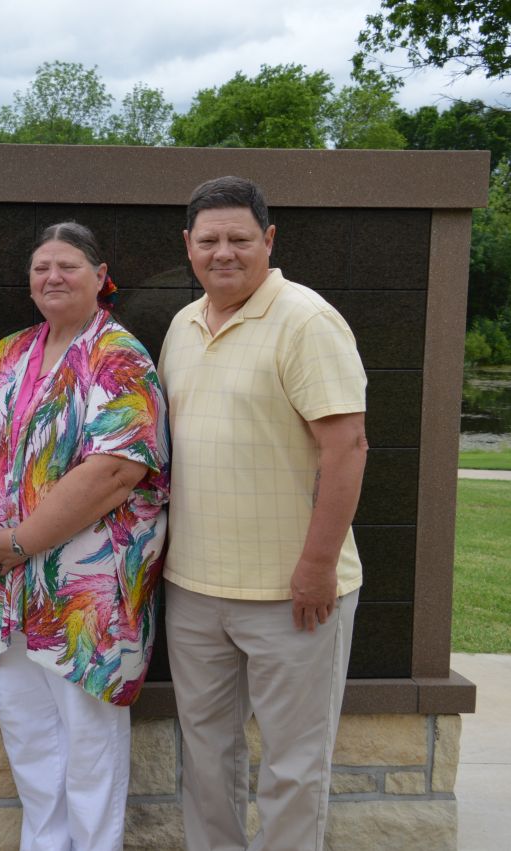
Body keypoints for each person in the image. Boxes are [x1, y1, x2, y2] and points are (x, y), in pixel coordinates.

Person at [159, 175, 368, 851]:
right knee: (206, 760)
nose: (223, 252)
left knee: (293, 767)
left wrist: (316, 566)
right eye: (209, 240)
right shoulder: (182, 326)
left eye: (239, 238)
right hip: (195, 590)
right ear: (188, 245)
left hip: (292, 595)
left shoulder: (306, 321)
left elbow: (347, 446)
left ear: (268, 240)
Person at [0, 222, 169, 851]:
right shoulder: (10, 351)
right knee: (30, 741)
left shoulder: (120, 357)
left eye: (67, 265)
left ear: (101, 277)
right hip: (2, 591)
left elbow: (116, 471)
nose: (52, 277)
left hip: (83, 597)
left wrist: (18, 542)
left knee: (90, 747)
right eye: (41, 267)